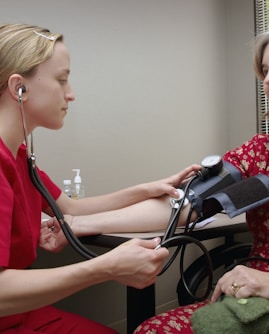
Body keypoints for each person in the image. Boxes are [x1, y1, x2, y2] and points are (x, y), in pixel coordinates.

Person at [0, 23, 202, 333]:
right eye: (61, 80)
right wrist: (105, 267)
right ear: (19, 88)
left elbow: (71, 209)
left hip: (23, 315)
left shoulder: (18, 156)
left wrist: (146, 188)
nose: (71, 94)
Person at [132, 22, 269, 333]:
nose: (268, 79)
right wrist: (80, 223)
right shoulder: (264, 152)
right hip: (248, 299)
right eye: (264, 69)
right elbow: (187, 206)